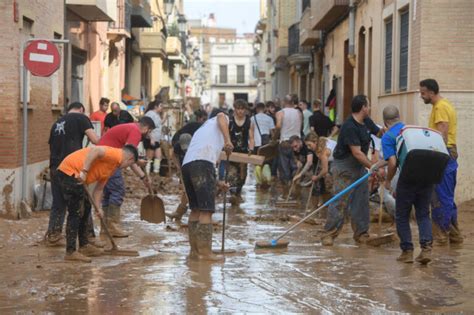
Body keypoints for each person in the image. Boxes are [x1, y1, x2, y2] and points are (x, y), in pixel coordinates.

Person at [57, 144, 139, 262]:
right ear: (130, 158)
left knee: (86, 207)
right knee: (76, 212)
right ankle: (70, 252)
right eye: (129, 165)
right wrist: (84, 171)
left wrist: (98, 208)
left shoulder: (112, 166)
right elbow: (95, 149)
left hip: (78, 177)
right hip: (70, 172)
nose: (126, 167)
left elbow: (99, 189)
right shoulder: (116, 154)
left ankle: (84, 246)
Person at [375, 105, 433, 264]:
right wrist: (379, 164)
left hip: (408, 179)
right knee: (422, 214)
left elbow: (393, 162)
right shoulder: (410, 129)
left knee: (402, 215)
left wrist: (387, 180)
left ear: (385, 122)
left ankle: (407, 251)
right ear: (399, 117)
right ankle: (426, 249)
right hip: (426, 177)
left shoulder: (388, 137)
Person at [320, 95, 380, 246]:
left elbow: (379, 133)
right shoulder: (349, 126)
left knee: (361, 200)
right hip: (344, 167)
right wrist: (373, 168)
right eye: (368, 105)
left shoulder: (366, 121)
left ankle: (361, 233)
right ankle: (329, 234)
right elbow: (357, 153)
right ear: (363, 108)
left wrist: (393, 133)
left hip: (359, 166)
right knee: (340, 200)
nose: (370, 108)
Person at [181, 110, 233, 261]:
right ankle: (205, 253)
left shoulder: (202, 130)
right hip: (202, 163)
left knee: (196, 209)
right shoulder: (220, 120)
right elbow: (221, 116)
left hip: (188, 165)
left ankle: (194, 252)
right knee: (206, 210)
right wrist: (227, 140)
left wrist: (218, 183)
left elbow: (201, 170)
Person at [45, 102, 99, 247]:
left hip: (55, 167)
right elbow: (95, 140)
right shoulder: (81, 118)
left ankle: (54, 235)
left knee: (58, 202)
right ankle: (87, 236)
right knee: (82, 202)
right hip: (72, 168)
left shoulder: (56, 123)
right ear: (81, 109)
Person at [419, 79, 463, 245]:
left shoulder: (440, 108)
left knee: (440, 197)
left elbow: (441, 134)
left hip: (442, 155)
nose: (421, 96)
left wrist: (433, 156)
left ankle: (441, 237)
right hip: (449, 154)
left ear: (431, 92)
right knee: (447, 196)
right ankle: (455, 235)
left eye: (423, 93)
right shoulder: (444, 105)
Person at [98, 117, 155, 237]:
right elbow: (129, 156)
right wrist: (139, 162)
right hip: (109, 159)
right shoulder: (136, 132)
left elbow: (130, 158)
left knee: (108, 193)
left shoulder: (130, 127)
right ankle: (113, 226)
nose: (148, 135)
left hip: (101, 157)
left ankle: (105, 228)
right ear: (145, 127)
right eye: (149, 131)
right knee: (117, 190)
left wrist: (142, 177)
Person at [167, 110, 208, 222]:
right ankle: (181, 213)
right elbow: (173, 156)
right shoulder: (177, 146)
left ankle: (187, 213)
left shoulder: (196, 146)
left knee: (193, 190)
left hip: (195, 168)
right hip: (184, 169)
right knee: (186, 191)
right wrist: (178, 167)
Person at [220, 99, 251, 204]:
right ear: (235, 109)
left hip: (243, 152)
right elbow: (225, 134)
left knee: (242, 175)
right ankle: (233, 194)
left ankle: (238, 193)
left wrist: (251, 148)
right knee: (231, 174)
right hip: (231, 152)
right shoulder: (230, 121)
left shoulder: (249, 121)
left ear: (245, 110)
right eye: (238, 109)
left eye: (242, 109)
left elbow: (251, 137)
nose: (240, 111)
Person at [275, 94, 303, 193]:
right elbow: (300, 126)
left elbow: (278, 126)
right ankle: (295, 189)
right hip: (297, 142)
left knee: (284, 168)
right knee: (295, 165)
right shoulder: (299, 113)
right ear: (293, 102)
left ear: (284, 102)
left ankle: (286, 191)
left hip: (285, 142)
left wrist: (275, 137)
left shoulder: (280, 113)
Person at [305, 132, 337, 205]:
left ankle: (330, 204)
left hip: (340, 161)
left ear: (315, 141)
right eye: (307, 145)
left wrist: (317, 177)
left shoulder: (323, 151)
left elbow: (325, 170)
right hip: (334, 160)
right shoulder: (322, 140)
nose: (308, 148)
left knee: (328, 180)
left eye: (309, 145)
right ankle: (325, 203)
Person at [144, 100, 163, 174]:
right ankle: (147, 173)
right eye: (160, 106)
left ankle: (156, 173)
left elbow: (158, 124)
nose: (162, 108)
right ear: (155, 106)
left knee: (158, 156)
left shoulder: (157, 114)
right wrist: (151, 138)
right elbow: (148, 127)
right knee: (149, 157)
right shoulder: (150, 114)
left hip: (156, 139)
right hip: (151, 139)